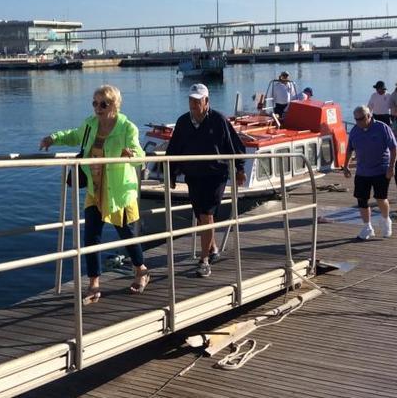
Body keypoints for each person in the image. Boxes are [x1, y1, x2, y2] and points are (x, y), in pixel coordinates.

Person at [40, 85, 148, 303]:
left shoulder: (127, 128)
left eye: (103, 104)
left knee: (125, 233)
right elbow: (74, 136)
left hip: (117, 190)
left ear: (115, 105)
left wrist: (131, 154)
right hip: (94, 189)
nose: (98, 108)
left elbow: (140, 157)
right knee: (91, 236)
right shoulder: (90, 124)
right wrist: (53, 138)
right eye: (95, 103)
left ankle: (141, 270)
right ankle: (94, 284)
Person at [166, 83, 246, 277]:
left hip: (215, 174)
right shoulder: (183, 122)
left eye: (197, 100)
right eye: (191, 100)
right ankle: (213, 248)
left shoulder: (218, 120)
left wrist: (240, 168)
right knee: (200, 214)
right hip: (193, 175)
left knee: (206, 214)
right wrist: (171, 175)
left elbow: (234, 145)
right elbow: (174, 149)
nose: (193, 104)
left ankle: (204, 260)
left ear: (206, 101)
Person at [341, 105, 397, 240]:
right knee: (362, 200)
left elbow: (394, 147)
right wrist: (346, 166)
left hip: (381, 169)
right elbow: (349, 149)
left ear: (368, 116)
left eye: (361, 119)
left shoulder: (382, 128)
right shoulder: (355, 131)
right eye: (356, 119)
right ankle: (367, 227)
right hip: (362, 171)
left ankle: (386, 221)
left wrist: (392, 166)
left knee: (380, 198)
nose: (358, 122)